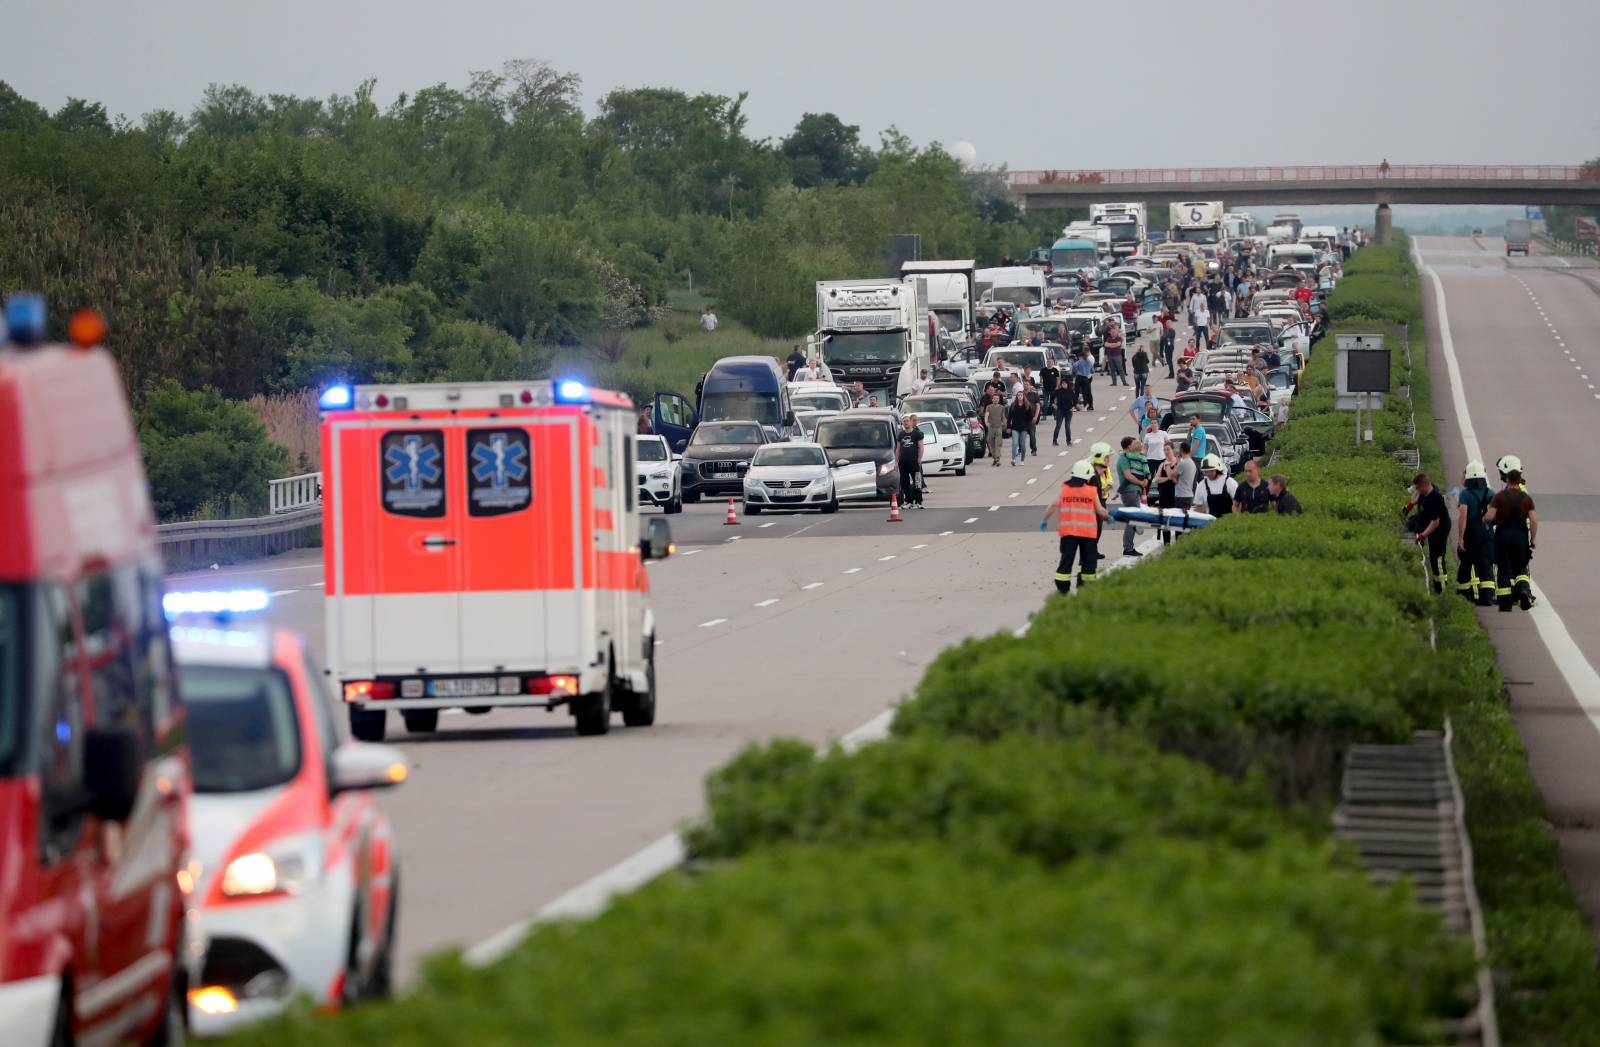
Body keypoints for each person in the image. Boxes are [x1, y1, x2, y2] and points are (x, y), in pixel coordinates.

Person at [1041, 459, 1110, 593]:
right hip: (1088, 534)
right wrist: (1109, 517)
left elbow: (1052, 505)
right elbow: (1100, 511)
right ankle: (1085, 587)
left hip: (1068, 533)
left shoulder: (1065, 489)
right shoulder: (1090, 491)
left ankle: (1063, 588)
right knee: (1088, 562)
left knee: (1066, 561)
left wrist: (1044, 520)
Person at [1484, 467, 1537, 612]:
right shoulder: (1526, 498)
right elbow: (1534, 521)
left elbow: (1490, 516)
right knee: (1520, 567)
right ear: (1520, 481)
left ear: (1507, 480)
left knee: (1503, 569)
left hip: (1503, 537)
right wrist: (1533, 539)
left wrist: (1484, 519)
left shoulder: (1500, 496)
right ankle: (1524, 591)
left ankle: (1505, 603)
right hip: (1520, 538)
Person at [1454, 460, 1495, 606]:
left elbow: (1463, 517)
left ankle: (1464, 594)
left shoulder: (1465, 494)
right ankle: (1488, 596)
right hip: (1487, 532)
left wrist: (1460, 538)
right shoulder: (1490, 492)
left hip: (1471, 533)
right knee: (1486, 564)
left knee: (1466, 562)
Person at [1409, 472, 1451, 595]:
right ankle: (1438, 587)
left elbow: (1435, 522)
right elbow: (1422, 515)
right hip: (1431, 530)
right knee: (1433, 557)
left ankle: (1442, 590)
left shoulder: (1435, 498)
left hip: (1439, 531)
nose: (1417, 490)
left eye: (1417, 487)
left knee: (1437, 558)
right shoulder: (1423, 496)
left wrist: (1423, 535)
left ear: (1424, 485)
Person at [1115, 436, 1151, 557]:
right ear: (1129, 446)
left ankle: (1129, 546)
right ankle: (1128, 548)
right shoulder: (1123, 459)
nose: (1135, 445)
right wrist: (1141, 482)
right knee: (1132, 520)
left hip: (1133, 491)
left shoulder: (1130, 458)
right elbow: (1128, 476)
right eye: (1133, 443)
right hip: (1129, 492)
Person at [897, 414, 925, 509]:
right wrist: (896, 462)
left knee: (917, 481)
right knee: (905, 482)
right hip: (903, 462)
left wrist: (919, 459)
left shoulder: (917, 434)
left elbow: (921, 447)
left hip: (914, 462)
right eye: (904, 421)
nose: (906, 423)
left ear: (911, 422)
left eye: (907, 421)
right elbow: (898, 449)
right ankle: (908, 501)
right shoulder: (901, 434)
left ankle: (919, 502)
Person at [1007, 390, 1034, 465]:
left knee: (1022, 444)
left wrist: (1028, 426)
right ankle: (1013, 459)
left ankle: (1022, 460)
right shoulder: (1013, 405)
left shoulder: (1027, 405)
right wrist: (1008, 427)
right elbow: (1009, 417)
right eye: (1018, 395)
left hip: (1024, 428)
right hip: (1015, 427)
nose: (1019, 397)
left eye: (1021, 395)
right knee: (1015, 443)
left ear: (1023, 397)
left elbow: (1030, 417)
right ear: (1016, 397)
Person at [982, 392, 1007, 467]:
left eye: (997, 398)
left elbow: (1003, 417)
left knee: (998, 444)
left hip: (998, 427)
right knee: (991, 444)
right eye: (994, 398)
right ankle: (995, 458)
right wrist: (986, 422)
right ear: (992, 400)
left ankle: (998, 459)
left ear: (999, 400)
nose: (996, 400)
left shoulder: (1002, 407)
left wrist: (1004, 423)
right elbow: (986, 415)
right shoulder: (989, 407)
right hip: (991, 428)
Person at [1051, 378, 1075, 446]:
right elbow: (1052, 398)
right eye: (1062, 383)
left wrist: (1073, 407)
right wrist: (1053, 404)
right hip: (1060, 410)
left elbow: (1075, 400)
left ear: (1067, 384)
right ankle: (1054, 440)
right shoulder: (1058, 391)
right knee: (1058, 425)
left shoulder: (1071, 391)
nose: (1064, 384)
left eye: (1065, 383)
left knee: (1067, 426)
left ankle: (1068, 441)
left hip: (1068, 411)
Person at [1024, 379, 1042, 455]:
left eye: (1027, 384)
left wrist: (1036, 416)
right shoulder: (1021, 394)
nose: (1025, 386)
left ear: (1030, 385)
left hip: (1031, 417)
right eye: (1024, 384)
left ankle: (1033, 450)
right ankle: (1020, 449)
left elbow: (1038, 406)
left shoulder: (1034, 394)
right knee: (1021, 435)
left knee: (1032, 434)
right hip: (1022, 418)